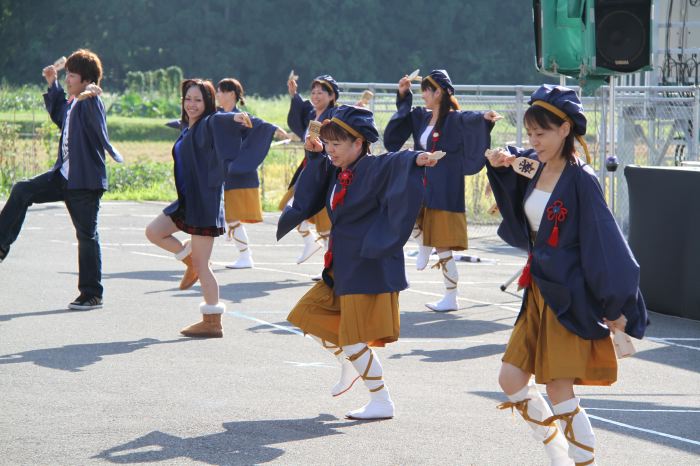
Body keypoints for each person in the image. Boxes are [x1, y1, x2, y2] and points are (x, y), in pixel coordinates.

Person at [485, 85, 648, 466]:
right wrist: (500, 158)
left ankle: (579, 462)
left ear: (565, 129)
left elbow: (605, 244)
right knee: (510, 380)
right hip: (538, 291)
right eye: (529, 133)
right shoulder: (536, 164)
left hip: (568, 294)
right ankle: (556, 449)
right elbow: (515, 164)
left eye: (540, 133)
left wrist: (617, 304)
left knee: (558, 387)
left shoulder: (582, 180)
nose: (533, 141)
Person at [277, 105, 440, 420]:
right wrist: (314, 156)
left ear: (360, 143)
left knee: (352, 339)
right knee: (306, 314)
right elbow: (313, 184)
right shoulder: (337, 171)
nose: (331, 149)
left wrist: (415, 159)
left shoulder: (375, 167)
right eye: (329, 142)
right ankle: (350, 361)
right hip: (342, 265)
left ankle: (381, 400)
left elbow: (396, 160)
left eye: (338, 143)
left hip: (369, 265)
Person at [0, 49, 122, 310]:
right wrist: (52, 82)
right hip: (63, 177)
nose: (68, 80)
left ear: (86, 81)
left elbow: (94, 105)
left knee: (86, 236)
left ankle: (92, 294)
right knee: (23, 190)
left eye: (72, 76)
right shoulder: (72, 103)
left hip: (85, 183)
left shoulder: (89, 102)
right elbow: (58, 114)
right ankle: (1, 244)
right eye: (67, 75)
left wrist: (92, 93)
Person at [384, 69, 499, 312]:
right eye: (422, 89)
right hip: (420, 182)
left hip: (445, 186)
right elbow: (398, 128)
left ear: (440, 93)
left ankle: (451, 296)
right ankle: (423, 243)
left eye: (428, 89)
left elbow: (471, 118)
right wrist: (403, 95)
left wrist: (485, 118)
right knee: (400, 210)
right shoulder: (421, 117)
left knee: (443, 246)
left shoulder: (454, 119)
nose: (423, 93)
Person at [145, 79, 251, 338]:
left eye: (198, 100)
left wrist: (237, 117)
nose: (191, 104)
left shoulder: (207, 123)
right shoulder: (188, 127)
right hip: (188, 199)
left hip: (204, 202)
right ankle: (188, 260)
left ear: (208, 103)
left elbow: (221, 120)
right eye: (188, 99)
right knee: (154, 232)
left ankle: (212, 321)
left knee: (204, 266)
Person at [215, 78, 290, 269]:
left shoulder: (241, 117)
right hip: (217, 173)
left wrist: (274, 128)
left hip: (234, 173)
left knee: (231, 216)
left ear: (231, 94)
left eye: (220, 91)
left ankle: (245, 256)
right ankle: (239, 255)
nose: (217, 94)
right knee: (224, 216)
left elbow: (260, 125)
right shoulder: (215, 115)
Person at [281, 74, 338, 272]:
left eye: (320, 92)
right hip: (308, 168)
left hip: (324, 172)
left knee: (325, 225)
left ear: (332, 96)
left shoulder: (334, 116)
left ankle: (330, 269)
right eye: (313, 92)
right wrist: (294, 94)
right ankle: (309, 242)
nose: (315, 96)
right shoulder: (314, 115)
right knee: (289, 208)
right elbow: (299, 113)